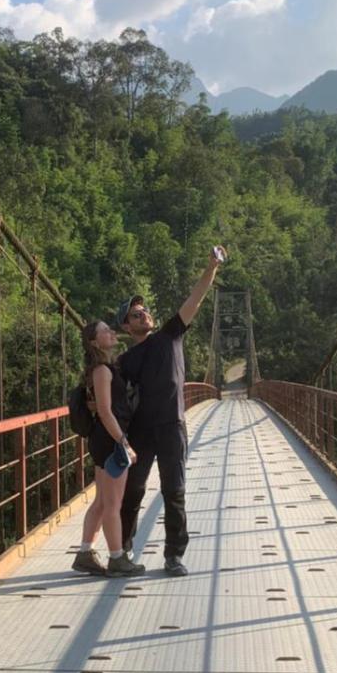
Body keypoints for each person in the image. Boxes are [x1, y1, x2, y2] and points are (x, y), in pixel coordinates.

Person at [116, 247, 224, 576]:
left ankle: (173, 556)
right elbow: (112, 400)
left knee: (174, 491)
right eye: (136, 314)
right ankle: (122, 551)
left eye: (145, 311)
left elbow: (196, 300)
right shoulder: (124, 362)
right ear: (126, 326)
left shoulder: (169, 336)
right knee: (132, 491)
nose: (143, 315)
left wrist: (212, 267)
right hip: (140, 431)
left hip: (172, 427)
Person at [71, 319, 147, 578]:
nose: (112, 332)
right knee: (114, 504)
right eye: (105, 330)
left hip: (102, 440)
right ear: (94, 341)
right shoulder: (102, 370)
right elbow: (105, 411)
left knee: (103, 502)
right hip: (110, 440)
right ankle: (117, 558)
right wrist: (124, 443)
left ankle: (85, 554)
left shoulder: (103, 368)